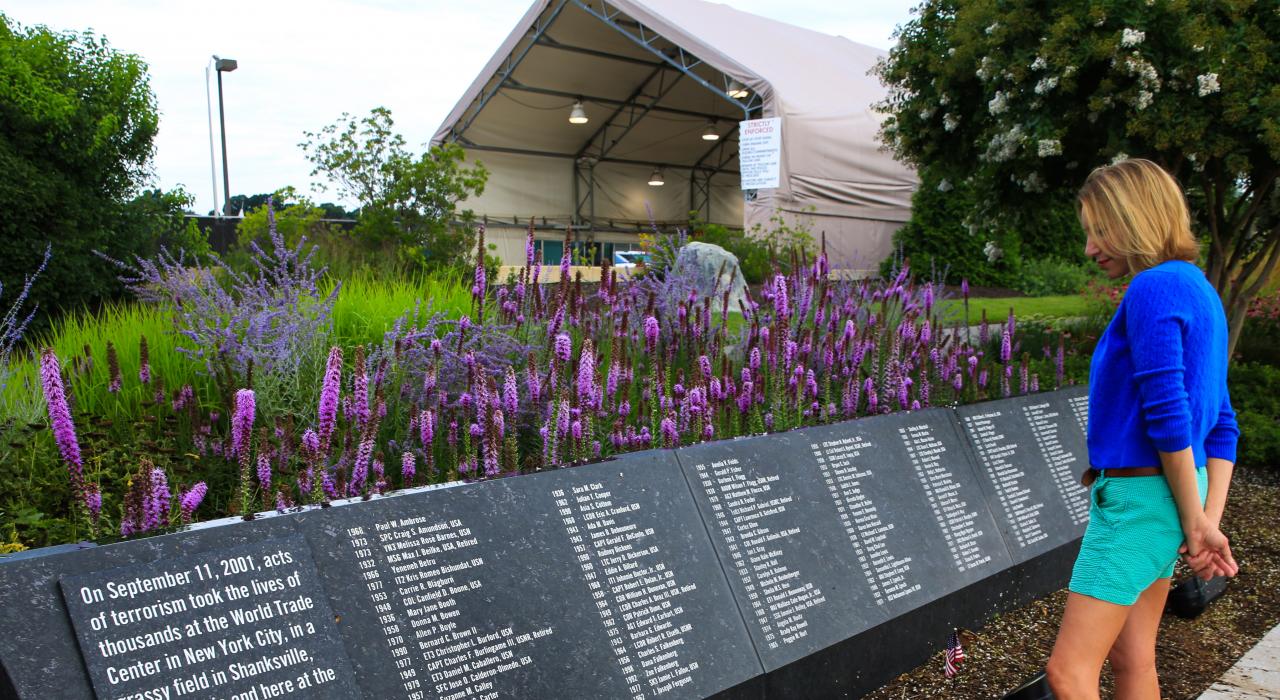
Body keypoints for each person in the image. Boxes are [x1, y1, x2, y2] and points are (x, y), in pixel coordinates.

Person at [1045, 158, 1240, 700]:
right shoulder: (1200, 289)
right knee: (1135, 663)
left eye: (1099, 229)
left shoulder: (1153, 287)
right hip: (1174, 495)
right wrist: (1201, 518)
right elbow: (1222, 426)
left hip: (1138, 500)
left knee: (1069, 672)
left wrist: (1197, 522)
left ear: (1135, 217)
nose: (1090, 247)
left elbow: (1170, 416)